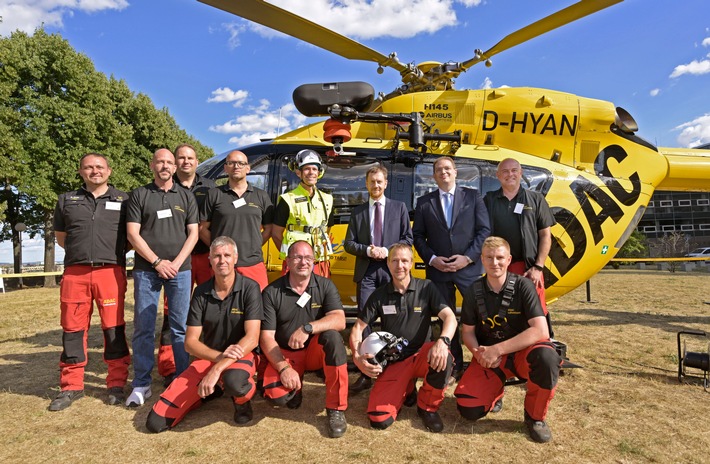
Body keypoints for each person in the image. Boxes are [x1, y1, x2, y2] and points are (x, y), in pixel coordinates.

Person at [146, 236, 262, 432]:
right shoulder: (201, 292)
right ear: (209, 259)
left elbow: (252, 338)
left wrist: (217, 369)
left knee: (235, 381)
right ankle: (212, 391)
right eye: (216, 256)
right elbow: (190, 343)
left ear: (235, 258)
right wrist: (217, 359)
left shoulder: (250, 288)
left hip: (243, 355)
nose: (222, 260)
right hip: (210, 356)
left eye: (227, 255)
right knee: (155, 422)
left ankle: (241, 402)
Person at [454, 237, 561, 443]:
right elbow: (467, 332)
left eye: (500, 258)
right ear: (481, 260)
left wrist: (498, 349)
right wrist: (479, 353)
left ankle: (535, 418)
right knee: (469, 410)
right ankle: (496, 391)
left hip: (523, 354)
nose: (495, 263)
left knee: (547, 358)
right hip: (490, 358)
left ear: (509, 259)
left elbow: (541, 330)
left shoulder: (524, 286)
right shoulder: (473, 290)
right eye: (489, 258)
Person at [49, 153, 131, 411]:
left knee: (113, 329)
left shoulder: (124, 200)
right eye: (89, 167)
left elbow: (130, 238)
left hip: (110, 272)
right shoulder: (66, 201)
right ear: (81, 171)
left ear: (109, 170)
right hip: (76, 273)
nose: (95, 171)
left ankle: (116, 384)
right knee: (72, 330)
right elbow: (62, 238)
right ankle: (71, 386)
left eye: (99, 167)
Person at [350, 244, 456, 433]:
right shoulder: (380, 295)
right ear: (388, 264)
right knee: (379, 419)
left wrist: (443, 341)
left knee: (444, 357)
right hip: (395, 360)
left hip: (423, 355)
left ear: (412, 263)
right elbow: (358, 328)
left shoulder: (427, 287)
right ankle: (407, 387)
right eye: (395, 261)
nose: (400, 265)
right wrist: (358, 358)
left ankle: (427, 408)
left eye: (405, 261)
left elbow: (450, 317)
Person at [125, 148, 199, 407]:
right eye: (161, 162)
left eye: (169, 162)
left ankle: (181, 379)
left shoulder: (186, 195)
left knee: (180, 327)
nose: (165, 166)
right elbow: (133, 234)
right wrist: (157, 262)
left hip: (180, 270)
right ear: (152, 165)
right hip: (147, 270)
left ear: (174, 167)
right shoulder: (140, 195)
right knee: (144, 328)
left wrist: (176, 263)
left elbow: (193, 233)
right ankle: (141, 384)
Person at [483, 157, 557, 413]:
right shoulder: (490, 200)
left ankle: (536, 371)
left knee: (536, 323)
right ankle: (496, 385)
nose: (510, 175)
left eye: (514, 171)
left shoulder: (535, 199)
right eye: (505, 171)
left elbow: (545, 235)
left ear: (521, 173)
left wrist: (538, 266)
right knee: (498, 325)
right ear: (498, 175)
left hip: (528, 272)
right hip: (500, 271)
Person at [260, 241, 348, 438]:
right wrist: (283, 368)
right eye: (298, 257)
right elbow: (266, 337)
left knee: (333, 337)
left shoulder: (325, 285)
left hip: (313, 352)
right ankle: (295, 386)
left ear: (314, 262)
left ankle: (336, 409)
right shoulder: (272, 292)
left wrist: (308, 328)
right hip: (285, 354)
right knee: (276, 396)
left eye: (308, 258)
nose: (303, 262)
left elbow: (340, 320)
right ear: (288, 262)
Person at [412, 156, 490, 378]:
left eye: (447, 168)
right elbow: (418, 236)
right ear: (434, 175)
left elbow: (484, 231)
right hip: (439, 271)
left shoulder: (473, 197)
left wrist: (467, 258)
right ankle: (454, 364)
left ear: (455, 172)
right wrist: (432, 258)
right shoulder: (424, 202)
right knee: (445, 319)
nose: (443, 172)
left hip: (469, 270)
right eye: (438, 170)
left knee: (480, 316)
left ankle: (484, 360)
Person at [344, 165, 412, 393]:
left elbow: (407, 240)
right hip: (367, 272)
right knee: (365, 320)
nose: (376, 185)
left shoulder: (399, 208)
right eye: (372, 182)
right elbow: (349, 243)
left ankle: (397, 369)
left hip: (392, 271)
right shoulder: (358, 212)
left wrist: (387, 250)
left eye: (380, 181)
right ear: (366, 184)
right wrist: (367, 251)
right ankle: (366, 370)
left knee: (395, 319)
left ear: (386, 183)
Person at [156, 143, 216, 387]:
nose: (186, 162)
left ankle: (208, 358)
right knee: (173, 314)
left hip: (204, 257)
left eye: (190, 157)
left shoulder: (211, 187)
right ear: (174, 161)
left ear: (197, 160)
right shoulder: (165, 187)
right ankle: (170, 365)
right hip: (178, 260)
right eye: (181, 158)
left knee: (211, 308)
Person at [200, 150, 273, 290]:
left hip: (253, 263)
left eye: (241, 163)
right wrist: (219, 248)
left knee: (256, 306)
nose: (236, 166)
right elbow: (202, 228)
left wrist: (254, 245)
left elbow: (269, 229)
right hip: (223, 264)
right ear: (225, 168)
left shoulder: (261, 196)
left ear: (248, 168)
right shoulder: (214, 194)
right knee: (222, 306)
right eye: (231, 163)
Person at [271, 149, 333, 277]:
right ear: (298, 173)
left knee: (319, 295)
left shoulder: (328, 199)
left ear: (319, 173)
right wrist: (290, 258)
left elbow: (327, 229)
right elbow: (276, 234)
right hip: (296, 263)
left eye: (315, 169)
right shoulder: (287, 199)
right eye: (307, 169)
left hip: (320, 261)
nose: (311, 173)